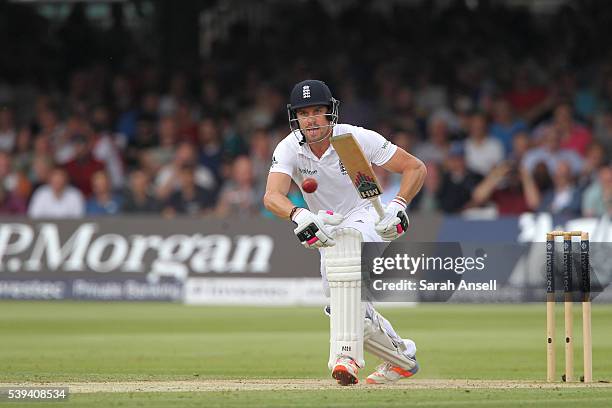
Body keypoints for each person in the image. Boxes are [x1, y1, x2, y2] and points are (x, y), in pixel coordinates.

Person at [263, 80, 426, 386]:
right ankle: (402, 357)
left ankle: (346, 358)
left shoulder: (354, 138)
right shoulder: (288, 148)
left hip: (368, 217)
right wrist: (299, 214)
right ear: (295, 117)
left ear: (329, 114)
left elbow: (415, 167)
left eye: (317, 111)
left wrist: (399, 205)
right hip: (327, 225)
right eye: (303, 113)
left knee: (348, 271)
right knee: (340, 305)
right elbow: (272, 195)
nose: (310, 119)